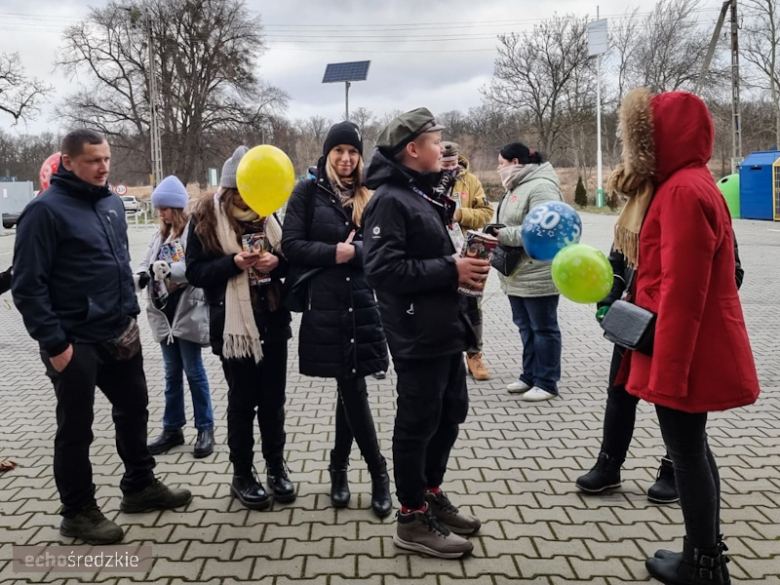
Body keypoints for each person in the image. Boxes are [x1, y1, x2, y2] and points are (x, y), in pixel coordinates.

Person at [608, 88, 759, 585]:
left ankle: (703, 564)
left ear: (658, 140)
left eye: (639, 140)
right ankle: (705, 554)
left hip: (683, 350)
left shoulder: (680, 193)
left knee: (688, 455)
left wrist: (668, 374)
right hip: (689, 344)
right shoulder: (691, 183)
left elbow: (682, 292)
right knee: (694, 450)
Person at [11, 129, 192, 545]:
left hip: (119, 332)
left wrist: (130, 313)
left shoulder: (111, 203)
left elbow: (117, 263)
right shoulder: (44, 212)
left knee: (134, 409)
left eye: (106, 159)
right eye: (93, 160)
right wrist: (55, 344)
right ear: (68, 162)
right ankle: (77, 512)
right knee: (76, 429)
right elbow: (28, 286)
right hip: (74, 341)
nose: (103, 167)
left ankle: (139, 486)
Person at [363, 107, 486, 559]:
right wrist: (450, 268)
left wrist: (466, 263)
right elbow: (381, 269)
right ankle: (411, 517)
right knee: (417, 422)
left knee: (450, 412)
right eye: (436, 141)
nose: (443, 148)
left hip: (445, 325)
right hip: (416, 331)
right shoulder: (389, 200)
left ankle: (431, 494)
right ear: (412, 149)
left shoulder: (422, 194)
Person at [576, 240, 745, 505]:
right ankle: (608, 465)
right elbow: (616, 264)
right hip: (634, 319)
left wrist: (682, 301)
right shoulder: (633, 219)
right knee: (619, 394)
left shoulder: (696, 215)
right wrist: (608, 300)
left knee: (675, 402)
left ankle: (674, 469)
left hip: (678, 327)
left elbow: (733, 274)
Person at [283, 121, 392, 518]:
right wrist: (334, 253)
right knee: (351, 385)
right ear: (327, 154)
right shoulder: (307, 191)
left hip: (362, 301)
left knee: (351, 384)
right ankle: (379, 473)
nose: (346, 159)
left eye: (353, 152)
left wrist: (357, 252)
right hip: (326, 303)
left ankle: (339, 469)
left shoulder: (371, 193)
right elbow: (292, 245)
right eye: (339, 151)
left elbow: (383, 245)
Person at [186, 146, 295, 511]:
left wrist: (275, 262)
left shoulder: (269, 215)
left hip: (272, 321)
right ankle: (242, 475)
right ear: (232, 189)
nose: (251, 201)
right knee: (242, 402)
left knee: (273, 402)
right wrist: (233, 263)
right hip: (233, 329)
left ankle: (276, 468)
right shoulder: (206, 219)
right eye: (245, 193)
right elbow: (195, 273)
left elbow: (290, 262)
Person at [136, 176, 215, 459]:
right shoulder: (159, 235)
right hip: (163, 313)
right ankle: (172, 428)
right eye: (158, 208)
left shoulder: (192, 233)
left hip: (186, 311)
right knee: (171, 374)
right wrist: (141, 275)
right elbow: (146, 262)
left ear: (177, 209)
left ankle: (205, 428)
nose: (160, 213)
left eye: (165, 208)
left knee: (194, 372)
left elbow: (193, 268)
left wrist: (170, 271)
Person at [487, 142, 564, 402]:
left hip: (538, 271)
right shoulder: (516, 185)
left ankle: (547, 381)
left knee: (543, 328)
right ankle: (529, 376)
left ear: (516, 162)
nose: (498, 168)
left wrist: (502, 235)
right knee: (525, 327)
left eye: (501, 163)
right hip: (517, 273)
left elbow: (545, 229)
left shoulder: (542, 187)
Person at [440, 141, 494, 381]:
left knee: (472, 304)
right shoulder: (427, 181)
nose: (449, 168)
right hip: (440, 253)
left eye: (453, 164)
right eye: (445, 164)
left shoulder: (470, 182)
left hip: (469, 251)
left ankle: (474, 355)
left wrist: (460, 214)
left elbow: (486, 213)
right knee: (443, 305)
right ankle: (446, 356)